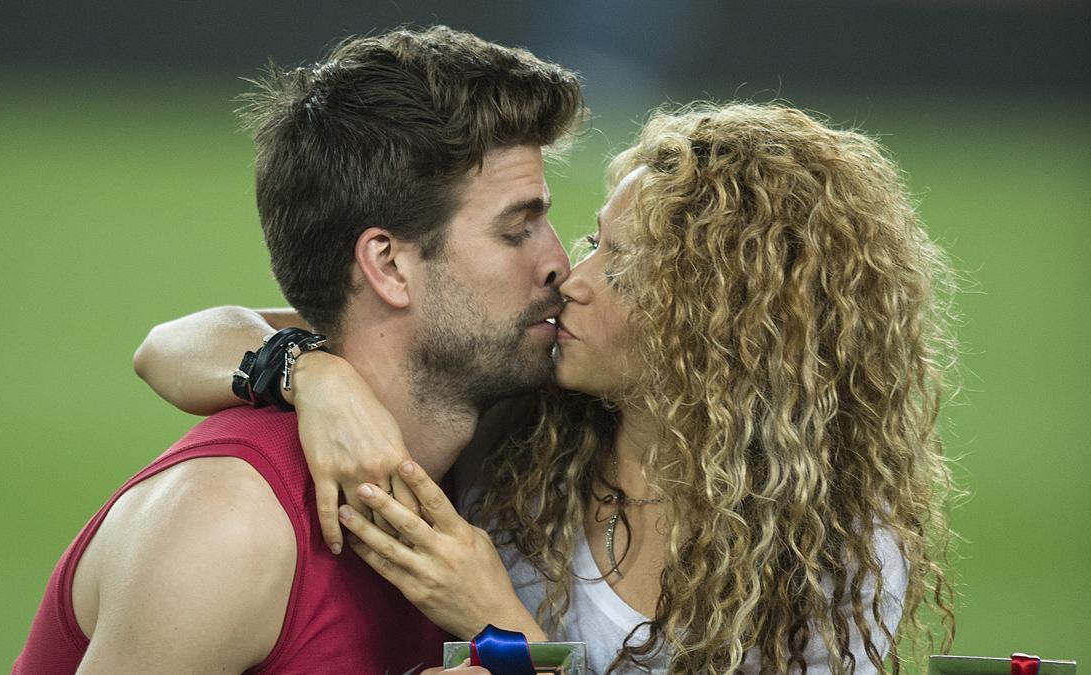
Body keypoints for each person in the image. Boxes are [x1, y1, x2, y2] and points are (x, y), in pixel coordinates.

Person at [135, 103, 960, 674]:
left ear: (728, 324)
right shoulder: (522, 416)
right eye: (596, 238)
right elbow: (171, 343)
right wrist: (308, 371)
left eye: (625, 267)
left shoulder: (835, 549)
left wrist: (504, 628)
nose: (573, 274)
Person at [15, 26, 586, 674]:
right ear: (389, 265)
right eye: (518, 231)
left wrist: (307, 369)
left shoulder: (486, 458)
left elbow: (178, 340)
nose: (560, 264)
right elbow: (159, 347)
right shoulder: (227, 528)